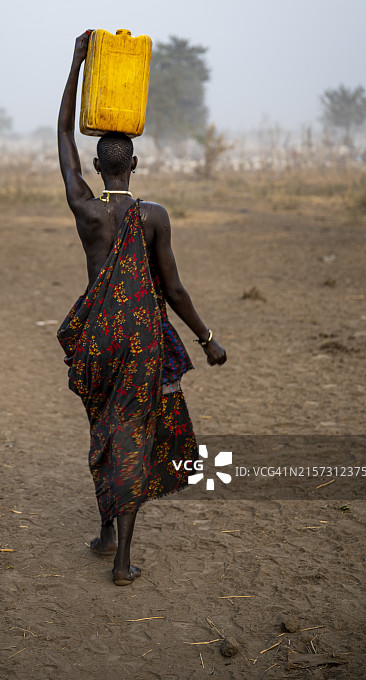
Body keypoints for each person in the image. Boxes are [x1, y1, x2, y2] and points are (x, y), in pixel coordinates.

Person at [57, 31, 227, 586]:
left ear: (98, 166)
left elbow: (62, 134)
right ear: (136, 159)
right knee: (133, 435)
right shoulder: (153, 215)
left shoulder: (85, 209)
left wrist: (78, 63)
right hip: (142, 341)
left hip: (97, 341)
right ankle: (123, 560)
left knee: (102, 429)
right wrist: (206, 338)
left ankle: (107, 533)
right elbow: (173, 288)